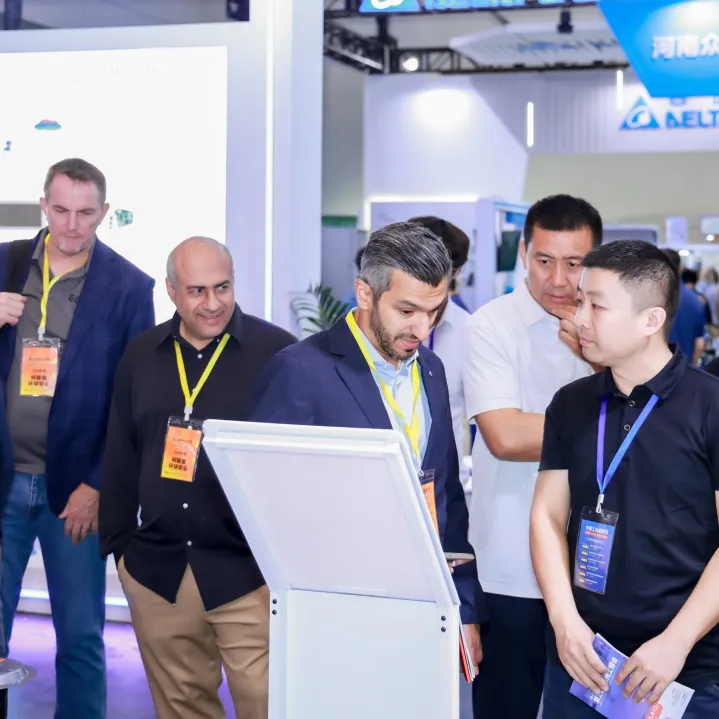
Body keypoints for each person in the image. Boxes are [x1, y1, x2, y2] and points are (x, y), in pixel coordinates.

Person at [251, 221, 486, 671]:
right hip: (337, 613)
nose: (422, 328)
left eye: (435, 311)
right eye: (407, 310)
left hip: (428, 609)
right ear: (365, 293)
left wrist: (466, 608)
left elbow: (448, 496)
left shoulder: (431, 369)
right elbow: (269, 507)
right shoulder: (300, 371)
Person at [99, 237, 295, 719]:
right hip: (158, 572)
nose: (212, 303)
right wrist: (122, 552)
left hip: (249, 572)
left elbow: (297, 466)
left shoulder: (278, 354)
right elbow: (121, 452)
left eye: (222, 287)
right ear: (171, 290)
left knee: (270, 705)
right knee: (182, 708)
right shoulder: (141, 355)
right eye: (197, 291)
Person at [532, 240, 719, 719]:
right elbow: (547, 515)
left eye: (597, 306)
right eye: (580, 303)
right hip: (582, 659)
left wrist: (676, 643)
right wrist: (564, 621)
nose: (580, 319)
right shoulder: (571, 403)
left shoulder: (709, 406)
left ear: (650, 320)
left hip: (683, 669)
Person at [0, 158, 155, 719]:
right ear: (44, 205)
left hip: (74, 495)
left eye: (85, 213)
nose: (71, 225)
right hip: (3, 481)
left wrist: (98, 484)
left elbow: (134, 401)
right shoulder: (5, 263)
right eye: (61, 210)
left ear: (104, 212)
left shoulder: (130, 286)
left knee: (81, 638)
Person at [463, 194, 602, 719]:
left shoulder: (608, 327)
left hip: (593, 565)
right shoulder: (491, 325)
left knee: (587, 706)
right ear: (524, 253)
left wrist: (597, 359)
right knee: (507, 705)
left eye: (575, 262)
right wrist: (609, 425)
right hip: (510, 563)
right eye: (545, 260)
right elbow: (504, 435)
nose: (559, 279)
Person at [409, 216, 472, 494]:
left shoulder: (471, 332)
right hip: (383, 478)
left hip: (445, 486)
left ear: (456, 272)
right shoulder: (376, 327)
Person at [665, 250, 706, 364]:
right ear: (680, 268)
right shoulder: (695, 301)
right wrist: (692, 368)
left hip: (652, 371)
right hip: (684, 367)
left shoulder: (650, 298)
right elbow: (699, 344)